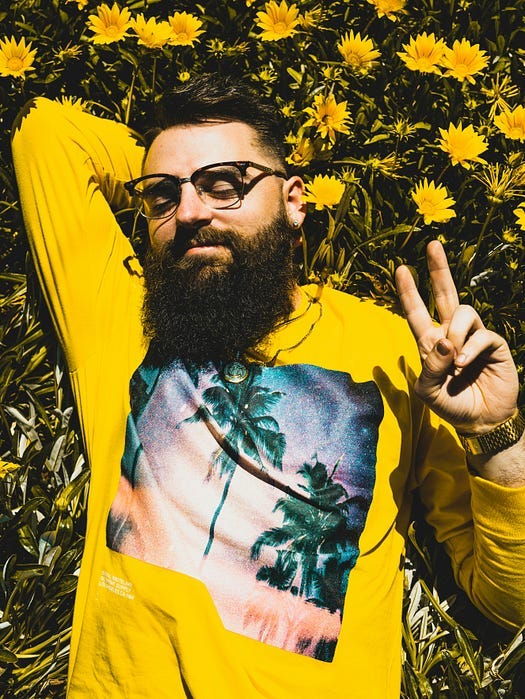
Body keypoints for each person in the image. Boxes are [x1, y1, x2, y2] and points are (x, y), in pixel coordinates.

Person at [12, 74, 525, 699]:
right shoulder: (121, 322)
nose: (191, 212)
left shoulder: (391, 353)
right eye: (162, 197)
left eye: (225, 184)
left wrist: (494, 436)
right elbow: (47, 134)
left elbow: (509, 605)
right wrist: (171, 169)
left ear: (294, 200)